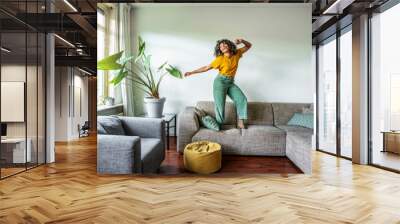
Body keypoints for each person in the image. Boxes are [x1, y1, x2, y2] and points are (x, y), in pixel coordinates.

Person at [185, 38, 252, 129]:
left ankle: (241, 122)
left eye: (224, 44)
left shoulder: (237, 53)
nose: (222, 47)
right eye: (220, 46)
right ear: (219, 50)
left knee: (241, 99)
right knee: (220, 106)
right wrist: (192, 72)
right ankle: (215, 124)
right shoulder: (220, 59)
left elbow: (249, 46)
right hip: (220, 82)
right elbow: (206, 68)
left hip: (230, 82)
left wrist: (242, 41)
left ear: (229, 45)